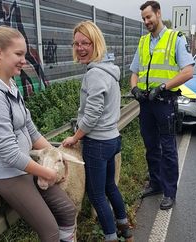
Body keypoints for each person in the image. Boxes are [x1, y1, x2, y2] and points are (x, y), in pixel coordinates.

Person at [0, 26, 76, 242]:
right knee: (50, 231)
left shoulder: (10, 85)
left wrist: (54, 153)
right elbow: (8, 152)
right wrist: (46, 172)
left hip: (23, 167)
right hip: (5, 174)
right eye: (19, 54)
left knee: (67, 210)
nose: (24, 60)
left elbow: (30, 129)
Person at [62, 21, 133, 242]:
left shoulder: (94, 75)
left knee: (96, 194)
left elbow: (92, 114)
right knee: (110, 186)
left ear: (96, 43)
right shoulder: (109, 71)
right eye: (76, 43)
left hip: (98, 144)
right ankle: (124, 228)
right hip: (113, 138)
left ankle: (111, 237)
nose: (80, 48)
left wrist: (75, 137)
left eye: (86, 43)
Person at [129, 1, 194, 210]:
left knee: (167, 148)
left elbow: (188, 71)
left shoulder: (175, 38)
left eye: (149, 17)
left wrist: (164, 86)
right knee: (150, 147)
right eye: (143, 19)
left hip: (165, 102)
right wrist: (134, 89)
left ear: (158, 14)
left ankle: (169, 192)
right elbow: (134, 72)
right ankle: (155, 184)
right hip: (147, 104)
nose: (146, 22)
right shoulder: (143, 42)